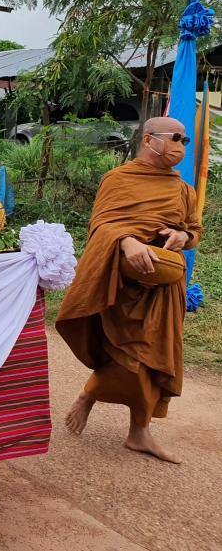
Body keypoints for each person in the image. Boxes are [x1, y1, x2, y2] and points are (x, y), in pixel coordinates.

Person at [57, 117, 203, 464]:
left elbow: (194, 229)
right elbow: (102, 225)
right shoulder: (118, 179)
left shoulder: (182, 189)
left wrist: (184, 237)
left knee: (156, 356)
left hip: (164, 287)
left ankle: (139, 432)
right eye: (175, 138)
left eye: (185, 140)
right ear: (149, 139)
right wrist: (126, 242)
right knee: (129, 352)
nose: (180, 146)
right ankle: (89, 394)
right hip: (123, 282)